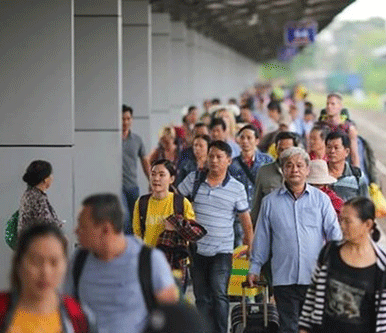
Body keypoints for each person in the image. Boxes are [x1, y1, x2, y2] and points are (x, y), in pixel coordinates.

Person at [248, 147, 342, 333]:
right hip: (284, 278)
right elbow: (262, 238)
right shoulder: (270, 202)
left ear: (307, 170)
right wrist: (255, 267)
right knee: (289, 327)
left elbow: (335, 235)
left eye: (299, 165)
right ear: (283, 169)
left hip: (315, 278)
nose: (295, 169)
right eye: (289, 165)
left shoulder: (321, 200)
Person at [64, 193, 179, 333]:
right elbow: (67, 307)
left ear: (106, 229)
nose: (76, 231)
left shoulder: (149, 261)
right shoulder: (79, 261)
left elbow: (174, 318)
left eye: (83, 226)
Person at [177, 140, 254, 333]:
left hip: (223, 250)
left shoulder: (236, 188)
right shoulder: (194, 180)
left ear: (228, 160)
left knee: (219, 293)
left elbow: (245, 219)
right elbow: (176, 200)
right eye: (211, 156)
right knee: (202, 297)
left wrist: (250, 244)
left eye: (219, 157)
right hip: (196, 249)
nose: (214, 160)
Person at [299, 197, 386, 333]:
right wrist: (304, 329)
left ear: (367, 225)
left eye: (348, 221)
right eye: (341, 220)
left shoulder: (383, 264)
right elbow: (312, 297)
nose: (342, 226)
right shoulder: (329, 253)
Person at [0, 224, 96, 333]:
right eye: (36, 261)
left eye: (54, 262)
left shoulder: (79, 317)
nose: (45, 272)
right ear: (19, 263)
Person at [133, 159, 206, 289]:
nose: (156, 178)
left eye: (161, 175)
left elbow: (192, 233)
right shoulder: (142, 203)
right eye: (153, 174)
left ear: (171, 179)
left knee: (174, 306)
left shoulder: (181, 203)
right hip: (150, 262)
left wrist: (177, 226)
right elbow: (137, 233)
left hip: (175, 264)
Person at [229, 125, 273, 246]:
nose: (245, 141)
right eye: (242, 138)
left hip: (262, 215)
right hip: (240, 218)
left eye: (249, 137)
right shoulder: (232, 164)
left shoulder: (267, 161)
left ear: (257, 140)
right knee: (241, 251)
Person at [250, 131, 300, 224]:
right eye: (281, 149)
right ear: (276, 149)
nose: (284, 153)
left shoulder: (302, 172)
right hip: (270, 225)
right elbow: (257, 204)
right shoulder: (264, 171)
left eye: (288, 150)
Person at [122, 105, 151, 234]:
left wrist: (151, 180)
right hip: (117, 187)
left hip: (132, 185)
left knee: (136, 218)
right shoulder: (112, 139)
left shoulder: (137, 140)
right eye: (123, 119)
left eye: (128, 118)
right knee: (125, 218)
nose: (125, 122)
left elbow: (145, 162)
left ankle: (134, 245)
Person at [18, 160, 63, 235]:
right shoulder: (36, 197)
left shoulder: (32, 194)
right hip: (35, 244)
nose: (52, 178)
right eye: (51, 175)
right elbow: (45, 224)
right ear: (45, 179)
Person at [326, 131, 368, 201]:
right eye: (329, 147)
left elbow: (365, 204)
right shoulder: (319, 173)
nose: (332, 151)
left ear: (347, 152)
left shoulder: (357, 176)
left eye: (336, 148)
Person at [321, 93, 360, 167]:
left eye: (333, 104)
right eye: (327, 104)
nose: (329, 106)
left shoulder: (348, 128)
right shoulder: (320, 126)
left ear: (340, 106)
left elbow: (354, 155)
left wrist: (357, 173)